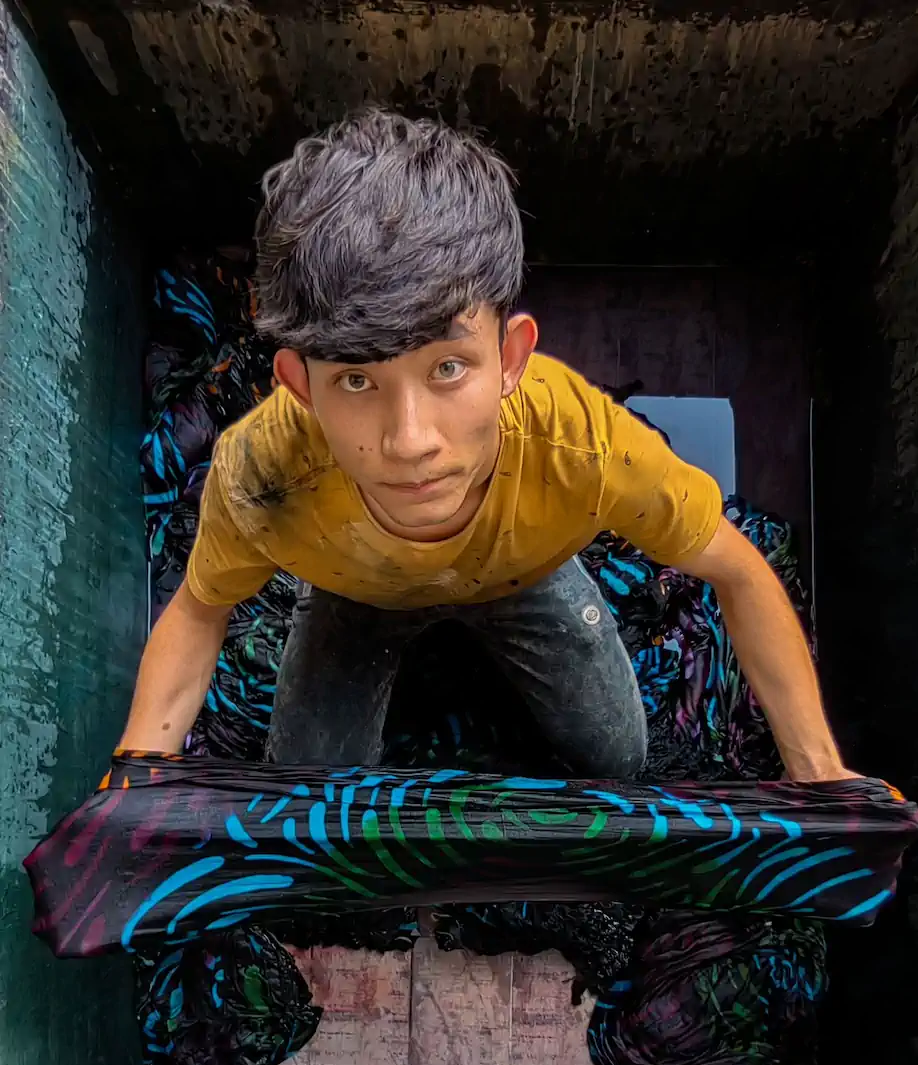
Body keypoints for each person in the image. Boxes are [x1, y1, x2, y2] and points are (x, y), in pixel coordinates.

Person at [119, 109, 854, 784]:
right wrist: (133, 785)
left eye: (447, 368)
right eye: (356, 381)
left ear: (510, 359)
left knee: (618, 756)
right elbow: (199, 610)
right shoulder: (263, 474)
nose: (410, 442)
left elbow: (739, 571)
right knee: (305, 784)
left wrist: (821, 774)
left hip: (524, 576)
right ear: (298, 385)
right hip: (354, 592)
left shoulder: (584, 449)